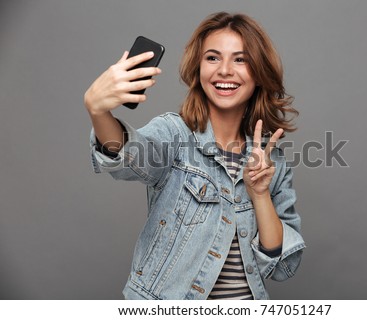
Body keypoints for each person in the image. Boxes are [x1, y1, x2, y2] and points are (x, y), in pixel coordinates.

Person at [84, 11, 305, 300]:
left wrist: (260, 194)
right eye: (212, 58)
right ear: (198, 69)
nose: (225, 70)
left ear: (259, 72)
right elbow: (130, 158)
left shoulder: (271, 160)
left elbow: (282, 264)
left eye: (240, 59)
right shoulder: (174, 133)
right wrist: (98, 111)